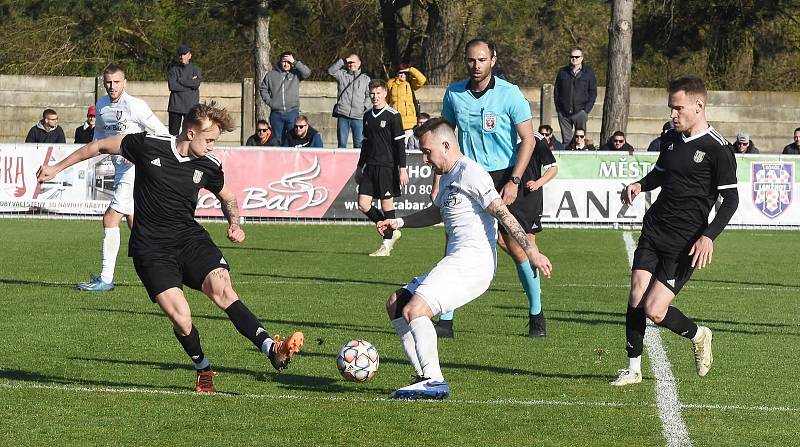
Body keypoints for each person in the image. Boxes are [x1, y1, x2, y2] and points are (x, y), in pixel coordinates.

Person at [37, 101, 305, 393]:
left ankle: (271, 348)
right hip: (150, 249)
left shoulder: (209, 164)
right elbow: (99, 146)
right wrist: (56, 168)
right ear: (190, 133)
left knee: (223, 290)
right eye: (209, 140)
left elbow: (228, 196)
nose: (213, 147)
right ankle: (203, 368)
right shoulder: (148, 144)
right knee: (182, 317)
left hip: (189, 239)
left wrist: (235, 223)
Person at [379, 118, 552, 399]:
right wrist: (399, 223)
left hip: (473, 263)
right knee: (397, 304)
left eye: (427, 152)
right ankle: (424, 376)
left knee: (415, 310)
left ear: (446, 145)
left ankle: (433, 380)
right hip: (458, 261)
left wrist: (531, 250)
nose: (425, 160)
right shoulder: (448, 175)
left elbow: (502, 213)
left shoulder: (471, 173)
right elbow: (435, 213)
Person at [612, 76, 739, 387]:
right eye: (671, 108)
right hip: (655, 229)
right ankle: (633, 368)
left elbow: (731, 199)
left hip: (685, 243)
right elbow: (660, 173)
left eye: (678, 108)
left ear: (699, 106)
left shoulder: (718, 149)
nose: (673, 114)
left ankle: (699, 335)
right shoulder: (669, 138)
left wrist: (708, 236)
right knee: (635, 294)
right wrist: (640, 185)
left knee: (655, 310)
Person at [438, 38, 547, 338]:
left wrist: (514, 180)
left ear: (493, 60)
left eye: (482, 59)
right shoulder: (454, 93)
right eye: (471, 60)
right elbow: (445, 138)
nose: (476, 65)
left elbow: (529, 139)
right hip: (468, 174)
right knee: (455, 242)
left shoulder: (510, 93)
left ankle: (536, 312)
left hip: (505, 175)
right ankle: (445, 319)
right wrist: (442, 179)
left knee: (517, 244)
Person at [77, 63, 170, 292]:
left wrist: (138, 153)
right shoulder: (101, 105)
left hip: (135, 170)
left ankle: (106, 278)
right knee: (137, 225)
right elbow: (99, 135)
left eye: (116, 82)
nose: (112, 86)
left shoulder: (135, 105)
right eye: (108, 82)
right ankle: (166, 266)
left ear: (125, 82)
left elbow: (161, 133)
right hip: (119, 169)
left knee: (110, 218)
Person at [356, 79, 408, 257]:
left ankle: (386, 244)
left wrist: (402, 168)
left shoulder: (393, 115)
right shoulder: (367, 116)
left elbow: (400, 145)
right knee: (363, 204)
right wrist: (359, 166)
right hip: (370, 167)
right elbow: (366, 144)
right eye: (372, 93)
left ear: (385, 93)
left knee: (387, 205)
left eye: (378, 93)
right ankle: (391, 230)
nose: (375, 96)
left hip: (387, 167)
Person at [259, 51, 311, 146]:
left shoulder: (296, 74)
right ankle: (279, 160)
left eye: (288, 62)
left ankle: (292, 159)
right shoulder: (271, 75)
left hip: (292, 112)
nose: (285, 64)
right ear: (280, 62)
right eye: (284, 61)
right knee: (278, 140)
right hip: (276, 114)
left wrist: (295, 62)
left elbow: (307, 73)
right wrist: (271, 103)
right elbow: (263, 89)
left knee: (293, 138)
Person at [554, 46, 597, 144]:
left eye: (577, 57)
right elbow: (557, 91)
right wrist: (559, 110)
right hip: (564, 113)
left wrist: (586, 110)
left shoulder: (588, 73)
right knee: (567, 141)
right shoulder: (562, 72)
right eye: (572, 57)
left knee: (580, 140)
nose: (574, 59)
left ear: (582, 58)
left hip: (580, 112)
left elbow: (593, 92)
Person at [328, 54, 371, 148]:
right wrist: (343, 60)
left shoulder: (366, 79)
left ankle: (358, 163)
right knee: (342, 144)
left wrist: (364, 107)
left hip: (359, 117)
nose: (351, 65)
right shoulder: (342, 75)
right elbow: (331, 71)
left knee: (359, 144)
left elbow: (369, 96)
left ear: (359, 64)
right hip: (343, 115)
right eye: (349, 63)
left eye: (353, 62)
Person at [167, 45, 202, 135]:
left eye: (184, 54)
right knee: (173, 135)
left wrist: (180, 80)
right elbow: (172, 86)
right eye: (180, 54)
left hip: (191, 107)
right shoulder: (173, 70)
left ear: (190, 55)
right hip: (175, 107)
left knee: (190, 134)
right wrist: (190, 84)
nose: (182, 56)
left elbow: (196, 84)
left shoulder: (196, 69)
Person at [386, 64, 427, 135]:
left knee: (409, 144)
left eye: (405, 73)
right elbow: (385, 100)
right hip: (394, 120)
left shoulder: (410, 83)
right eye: (400, 73)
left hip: (409, 122)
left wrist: (411, 70)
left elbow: (422, 80)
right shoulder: (390, 84)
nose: (402, 75)